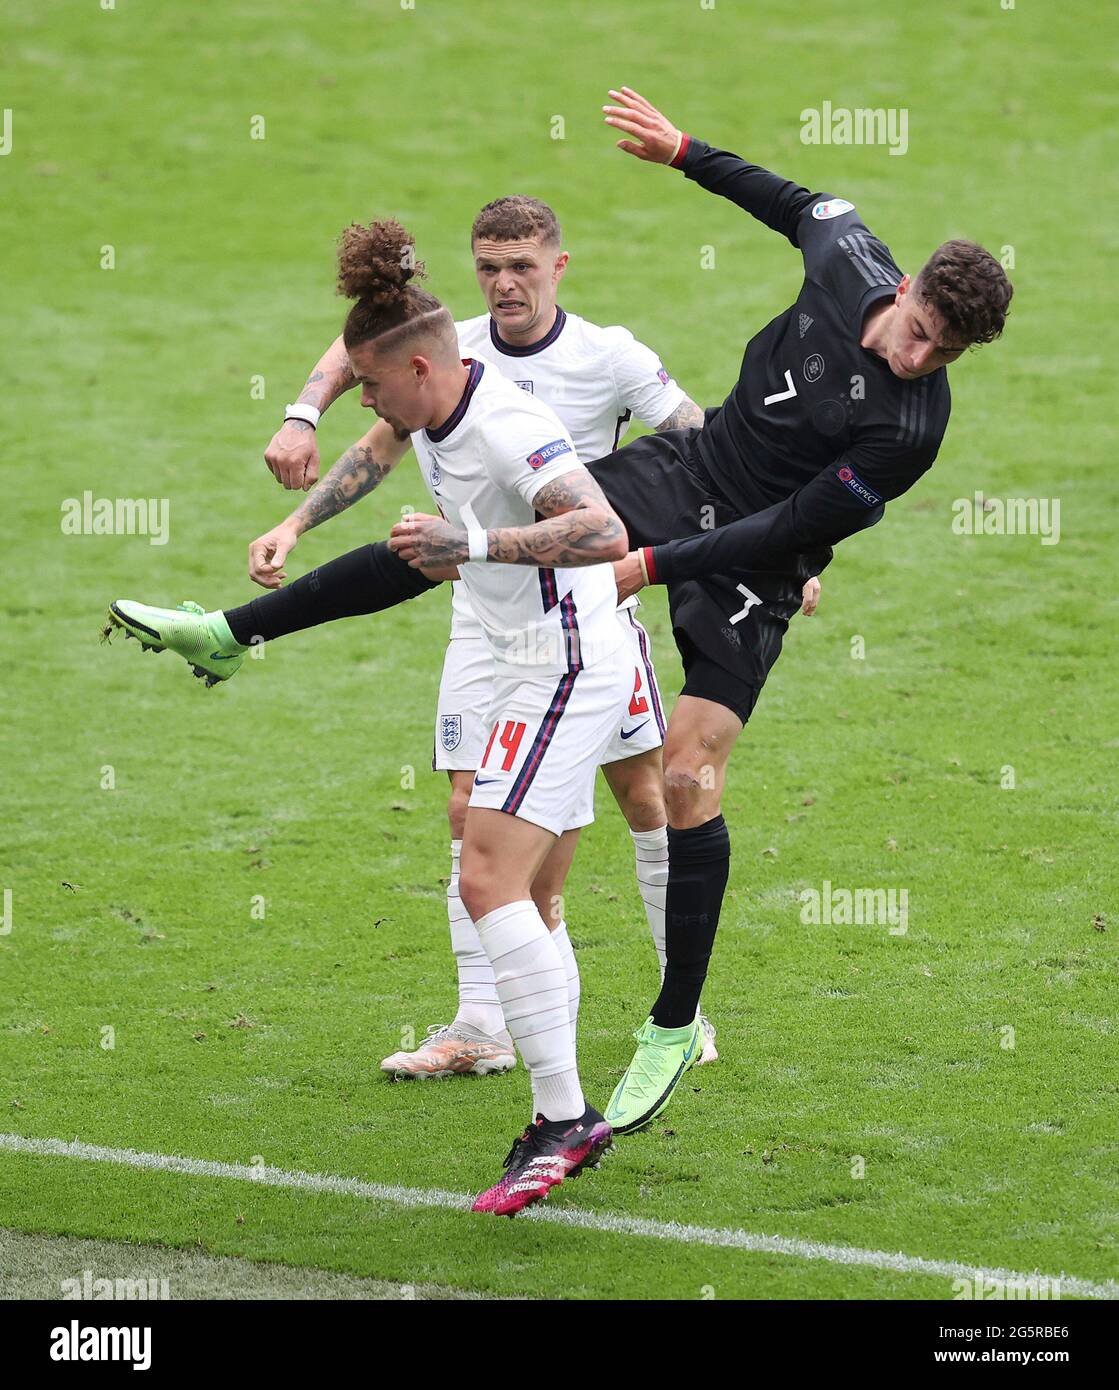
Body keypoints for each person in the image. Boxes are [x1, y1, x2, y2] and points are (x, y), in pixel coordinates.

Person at [247, 195, 732, 1080]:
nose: (504, 283)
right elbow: (369, 395)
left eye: (521, 266)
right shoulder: (442, 348)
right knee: (471, 817)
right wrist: (302, 430)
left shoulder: (606, 357)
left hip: (585, 616)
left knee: (647, 799)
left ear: (559, 266)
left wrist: (772, 549)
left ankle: (679, 1009)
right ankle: (482, 1028)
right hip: (484, 612)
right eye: (488, 266)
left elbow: (704, 445)